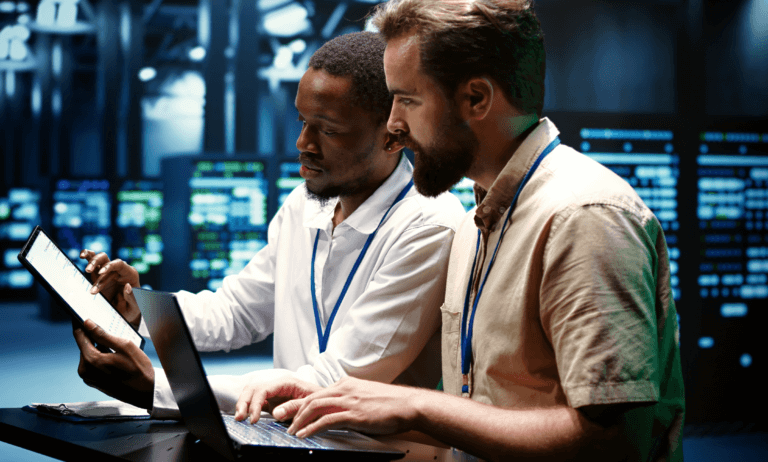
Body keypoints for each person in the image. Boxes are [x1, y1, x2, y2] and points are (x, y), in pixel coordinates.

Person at [243, 1, 686, 461]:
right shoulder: (479, 221)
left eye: (407, 99)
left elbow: (613, 441)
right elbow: (489, 417)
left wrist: (416, 405)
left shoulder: (583, 215)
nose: (393, 124)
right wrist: (347, 403)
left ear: (476, 98)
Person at [73, 31, 465, 419]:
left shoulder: (428, 227)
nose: (303, 143)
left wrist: (157, 387)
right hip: (289, 437)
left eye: (327, 129)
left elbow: (331, 383)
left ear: (394, 136)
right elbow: (235, 312)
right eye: (303, 121)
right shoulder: (304, 205)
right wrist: (139, 307)